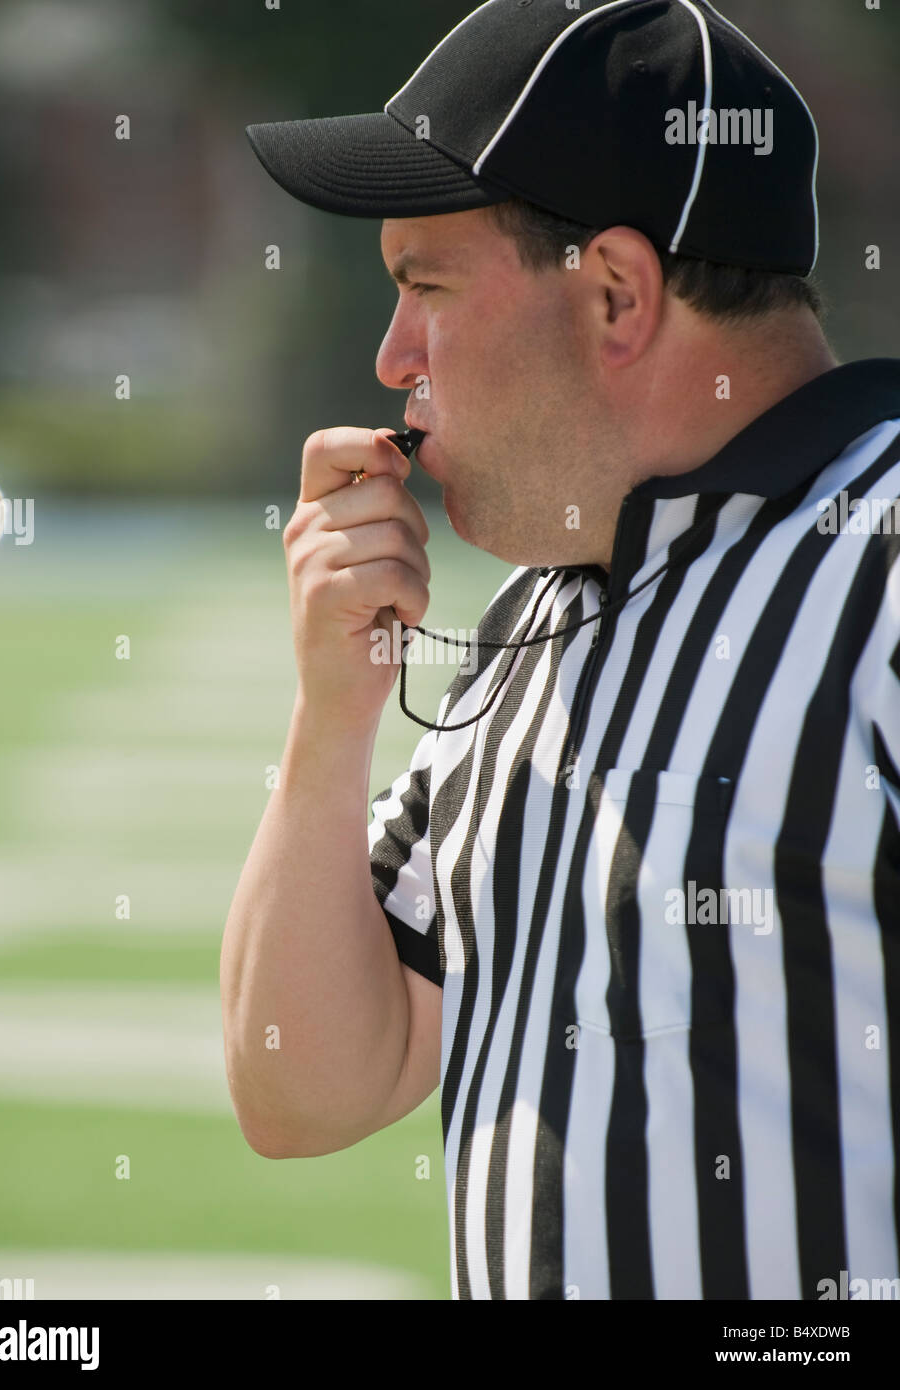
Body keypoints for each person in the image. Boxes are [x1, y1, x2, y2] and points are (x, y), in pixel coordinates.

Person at [221, 0, 900, 1300]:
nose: (391, 358)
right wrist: (331, 712)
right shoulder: (539, 615)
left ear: (613, 293)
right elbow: (300, 1083)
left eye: (425, 288)